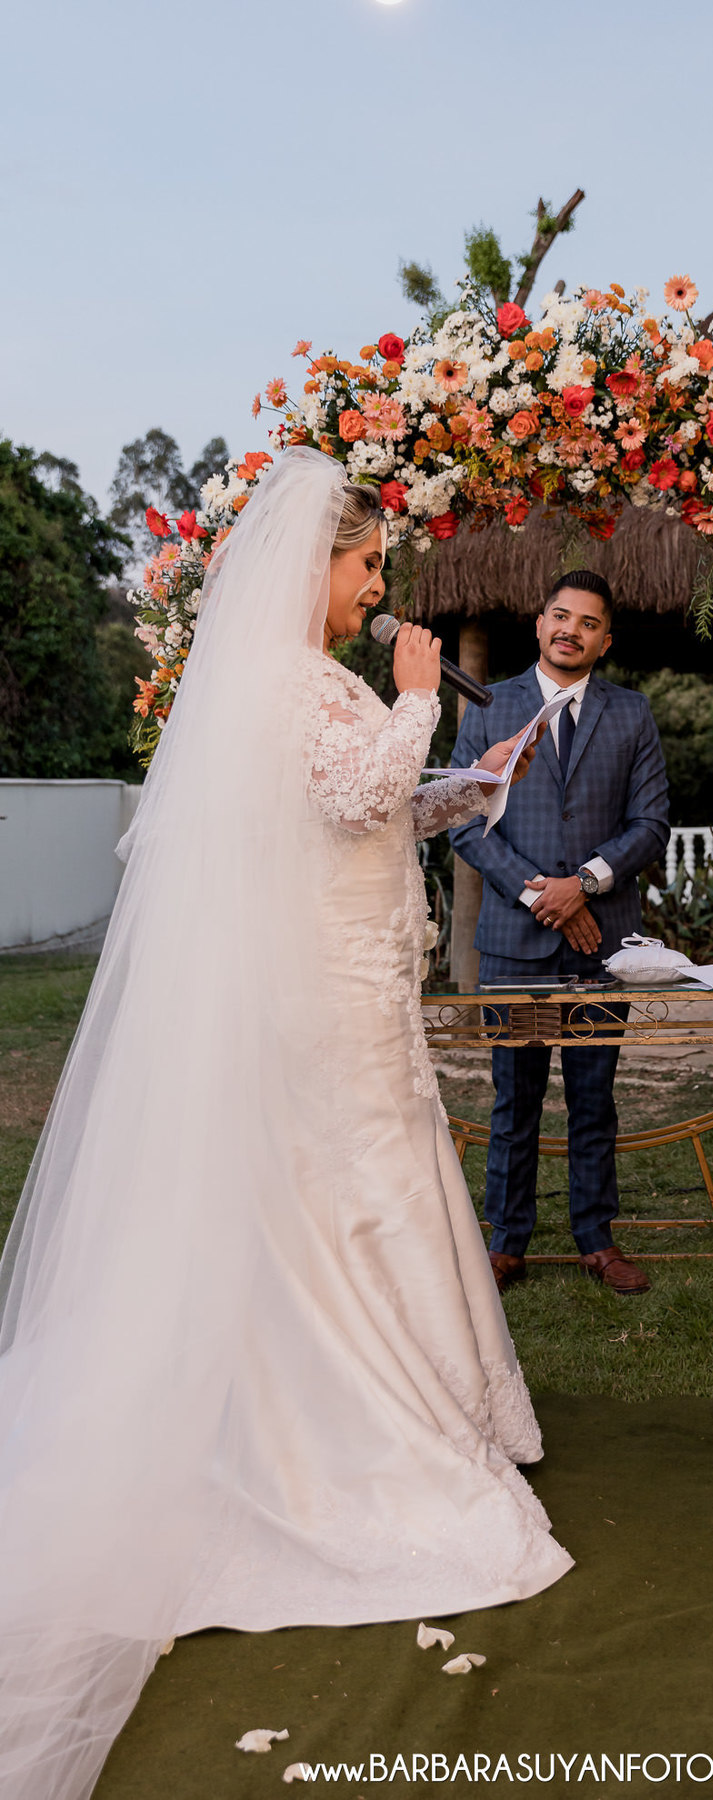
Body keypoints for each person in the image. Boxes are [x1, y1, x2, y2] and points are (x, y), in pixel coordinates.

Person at [0, 450, 572, 1800]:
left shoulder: (300, 682)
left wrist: (465, 784)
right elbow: (351, 793)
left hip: (351, 975)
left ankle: (413, 1398)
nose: (377, 588)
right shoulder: (284, 679)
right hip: (324, 997)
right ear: (316, 563)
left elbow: (362, 814)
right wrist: (420, 699)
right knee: (352, 1186)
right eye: (368, 566)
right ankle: (347, 1425)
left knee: (373, 1181)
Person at [450, 572, 670, 1296]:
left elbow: (651, 824)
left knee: (594, 1097)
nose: (571, 629)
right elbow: (462, 819)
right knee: (513, 1100)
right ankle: (506, 1242)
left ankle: (596, 1240)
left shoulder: (632, 713)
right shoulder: (488, 706)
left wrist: (586, 884)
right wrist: (541, 892)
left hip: (601, 942)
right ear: (539, 624)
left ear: (606, 640)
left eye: (588, 622)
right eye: (560, 615)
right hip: (515, 941)